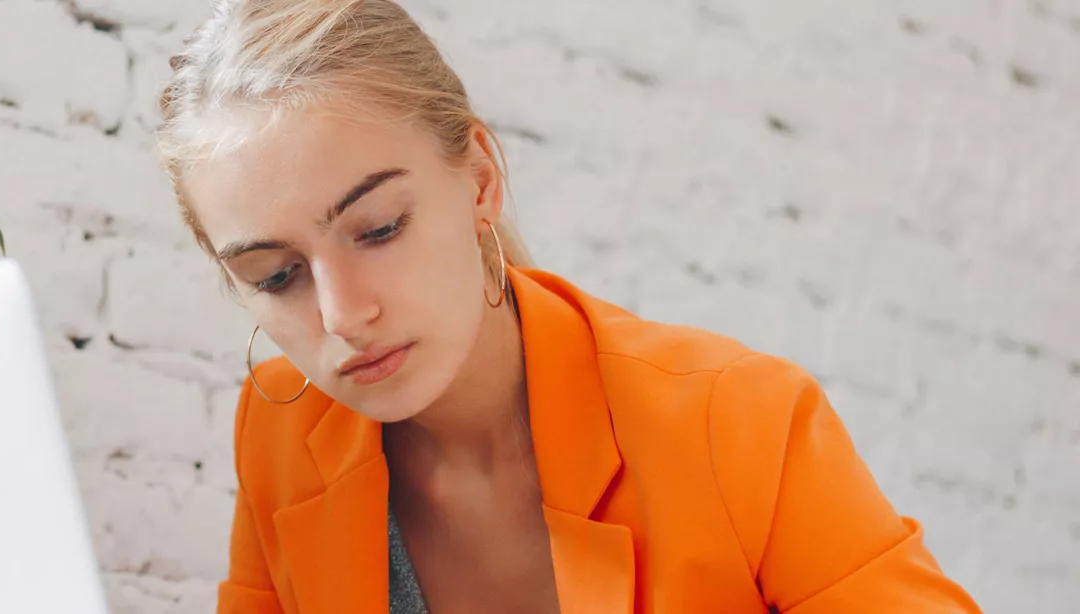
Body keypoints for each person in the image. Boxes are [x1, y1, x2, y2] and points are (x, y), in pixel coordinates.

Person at [154, 1, 983, 612]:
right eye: (275, 277)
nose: (342, 315)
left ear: (479, 179)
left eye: (378, 229)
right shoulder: (282, 434)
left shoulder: (735, 419)